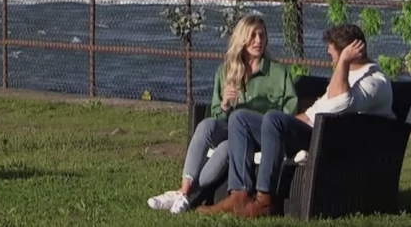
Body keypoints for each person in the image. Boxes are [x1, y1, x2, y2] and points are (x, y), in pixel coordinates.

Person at [196, 23, 394, 218]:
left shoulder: (374, 81)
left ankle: (265, 200)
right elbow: (313, 112)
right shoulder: (347, 75)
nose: (329, 56)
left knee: (273, 119)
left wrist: (342, 62)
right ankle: (239, 195)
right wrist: (284, 123)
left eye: (333, 52)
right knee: (240, 119)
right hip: (311, 128)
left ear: (349, 52)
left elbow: (339, 103)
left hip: (325, 138)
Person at [147, 15, 298, 214]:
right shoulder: (226, 71)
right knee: (206, 126)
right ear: (241, 39)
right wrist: (225, 103)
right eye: (253, 35)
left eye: (262, 35)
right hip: (232, 129)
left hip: (262, 134)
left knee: (228, 146)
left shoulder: (278, 73)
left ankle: (184, 194)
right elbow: (218, 114)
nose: (258, 41)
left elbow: (290, 108)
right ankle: (183, 192)